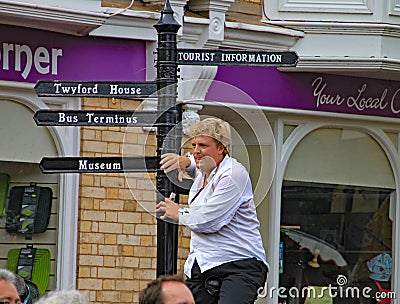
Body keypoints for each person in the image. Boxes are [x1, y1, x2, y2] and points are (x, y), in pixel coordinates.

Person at [157, 117, 268, 304]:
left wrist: (179, 213)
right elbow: (196, 163)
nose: (197, 150)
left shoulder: (232, 175)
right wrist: (186, 160)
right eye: (193, 145)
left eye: (203, 145)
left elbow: (211, 221)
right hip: (204, 263)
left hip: (239, 264)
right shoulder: (205, 169)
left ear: (221, 148)